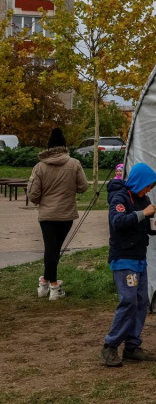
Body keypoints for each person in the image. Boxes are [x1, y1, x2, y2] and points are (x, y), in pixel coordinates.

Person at [101, 162, 156, 367]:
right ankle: (110, 345)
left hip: (139, 258)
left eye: (151, 187)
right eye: (148, 186)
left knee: (141, 302)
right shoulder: (120, 198)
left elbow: (143, 226)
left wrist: (155, 227)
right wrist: (143, 214)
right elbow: (117, 222)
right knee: (128, 300)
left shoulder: (143, 199)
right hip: (123, 257)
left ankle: (132, 346)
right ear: (138, 182)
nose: (149, 190)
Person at [27, 128, 88, 300]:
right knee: (54, 249)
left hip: (46, 215)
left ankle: (45, 283)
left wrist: (42, 201)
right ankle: (52, 285)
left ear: (49, 146)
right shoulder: (74, 164)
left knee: (51, 249)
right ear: (64, 145)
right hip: (66, 214)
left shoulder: (39, 167)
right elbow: (83, 186)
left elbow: (33, 194)